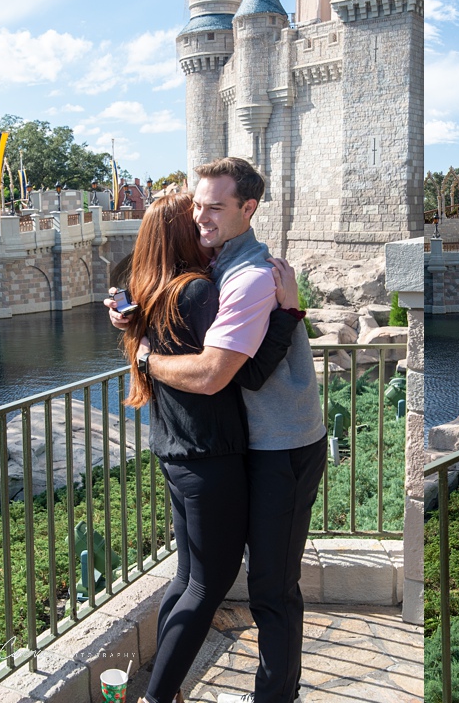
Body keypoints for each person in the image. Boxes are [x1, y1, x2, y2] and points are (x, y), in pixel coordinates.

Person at [109, 157, 326, 703]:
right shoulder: (212, 270)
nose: (200, 217)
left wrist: (143, 359)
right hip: (236, 447)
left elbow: (224, 374)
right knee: (201, 579)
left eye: (213, 207)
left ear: (247, 209)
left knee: (271, 590)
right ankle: (167, 690)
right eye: (196, 206)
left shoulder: (250, 276)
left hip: (281, 446)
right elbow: (166, 304)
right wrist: (127, 315)